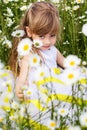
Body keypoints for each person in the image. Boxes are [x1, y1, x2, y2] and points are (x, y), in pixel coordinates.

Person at [9, 1, 74, 129]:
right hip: (36, 94)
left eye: (52, 35)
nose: (48, 41)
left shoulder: (53, 50)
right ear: (29, 32)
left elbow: (67, 64)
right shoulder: (29, 53)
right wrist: (20, 87)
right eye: (42, 36)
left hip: (54, 89)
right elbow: (22, 78)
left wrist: (77, 69)